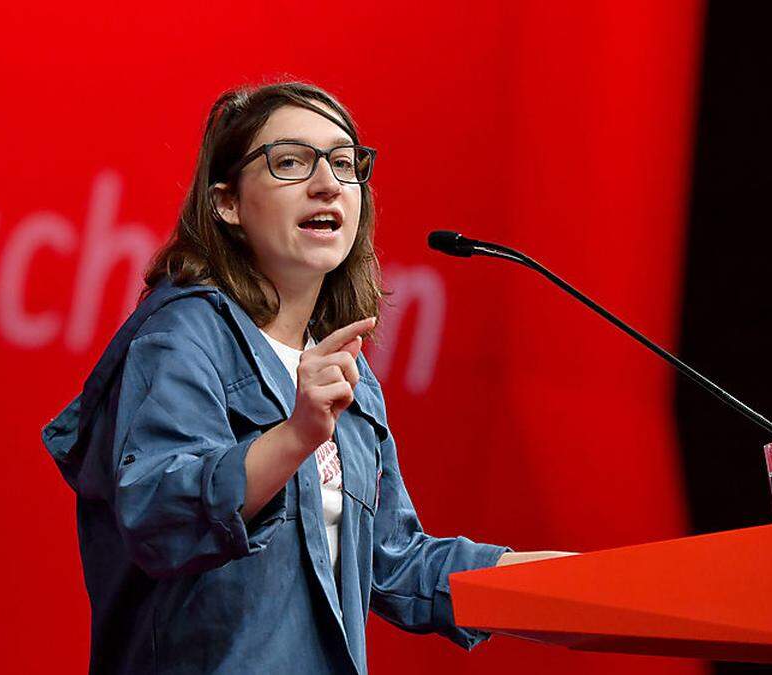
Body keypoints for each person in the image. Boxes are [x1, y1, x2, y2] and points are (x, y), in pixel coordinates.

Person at [43, 81, 571, 674]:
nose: (328, 183)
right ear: (227, 204)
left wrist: (565, 584)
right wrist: (297, 435)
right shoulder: (181, 336)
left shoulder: (343, 366)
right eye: (291, 162)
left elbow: (395, 565)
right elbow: (161, 515)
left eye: (345, 164)